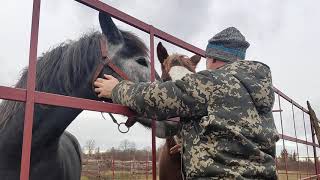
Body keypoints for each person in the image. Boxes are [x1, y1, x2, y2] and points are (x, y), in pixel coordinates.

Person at [94, 27, 279, 179]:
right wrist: (191, 140)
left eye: (207, 59)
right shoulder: (258, 90)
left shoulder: (213, 81)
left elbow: (159, 98)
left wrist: (117, 89)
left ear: (213, 58)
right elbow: (231, 130)